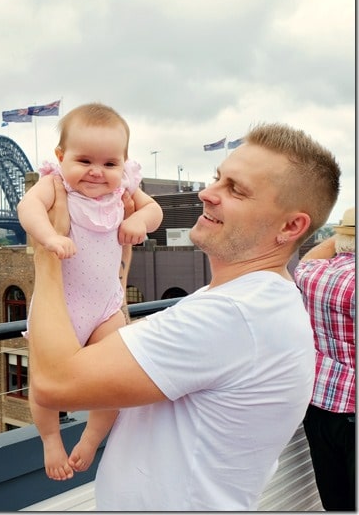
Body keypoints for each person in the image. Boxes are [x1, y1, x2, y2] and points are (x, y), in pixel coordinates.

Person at [27, 122, 342, 510]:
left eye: (235, 189)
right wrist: (114, 264)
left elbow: (53, 384)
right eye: (217, 179)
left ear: (290, 226)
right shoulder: (251, 301)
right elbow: (122, 346)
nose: (206, 193)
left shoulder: (233, 315)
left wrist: (46, 250)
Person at [17, 102, 163, 480]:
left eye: (110, 164)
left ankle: (91, 438)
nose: (97, 172)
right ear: (61, 157)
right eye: (84, 161)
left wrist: (138, 220)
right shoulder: (54, 185)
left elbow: (155, 211)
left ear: (124, 164)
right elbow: (27, 208)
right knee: (43, 383)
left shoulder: (124, 191)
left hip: (106, 307)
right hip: (59, 309)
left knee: (114, 380)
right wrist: (49, 235)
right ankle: (50, 439)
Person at [293, 206, 355, 511]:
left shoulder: (313, 274)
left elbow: (308, 258)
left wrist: (343, 233)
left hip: (320, 408)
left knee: (336, 502)